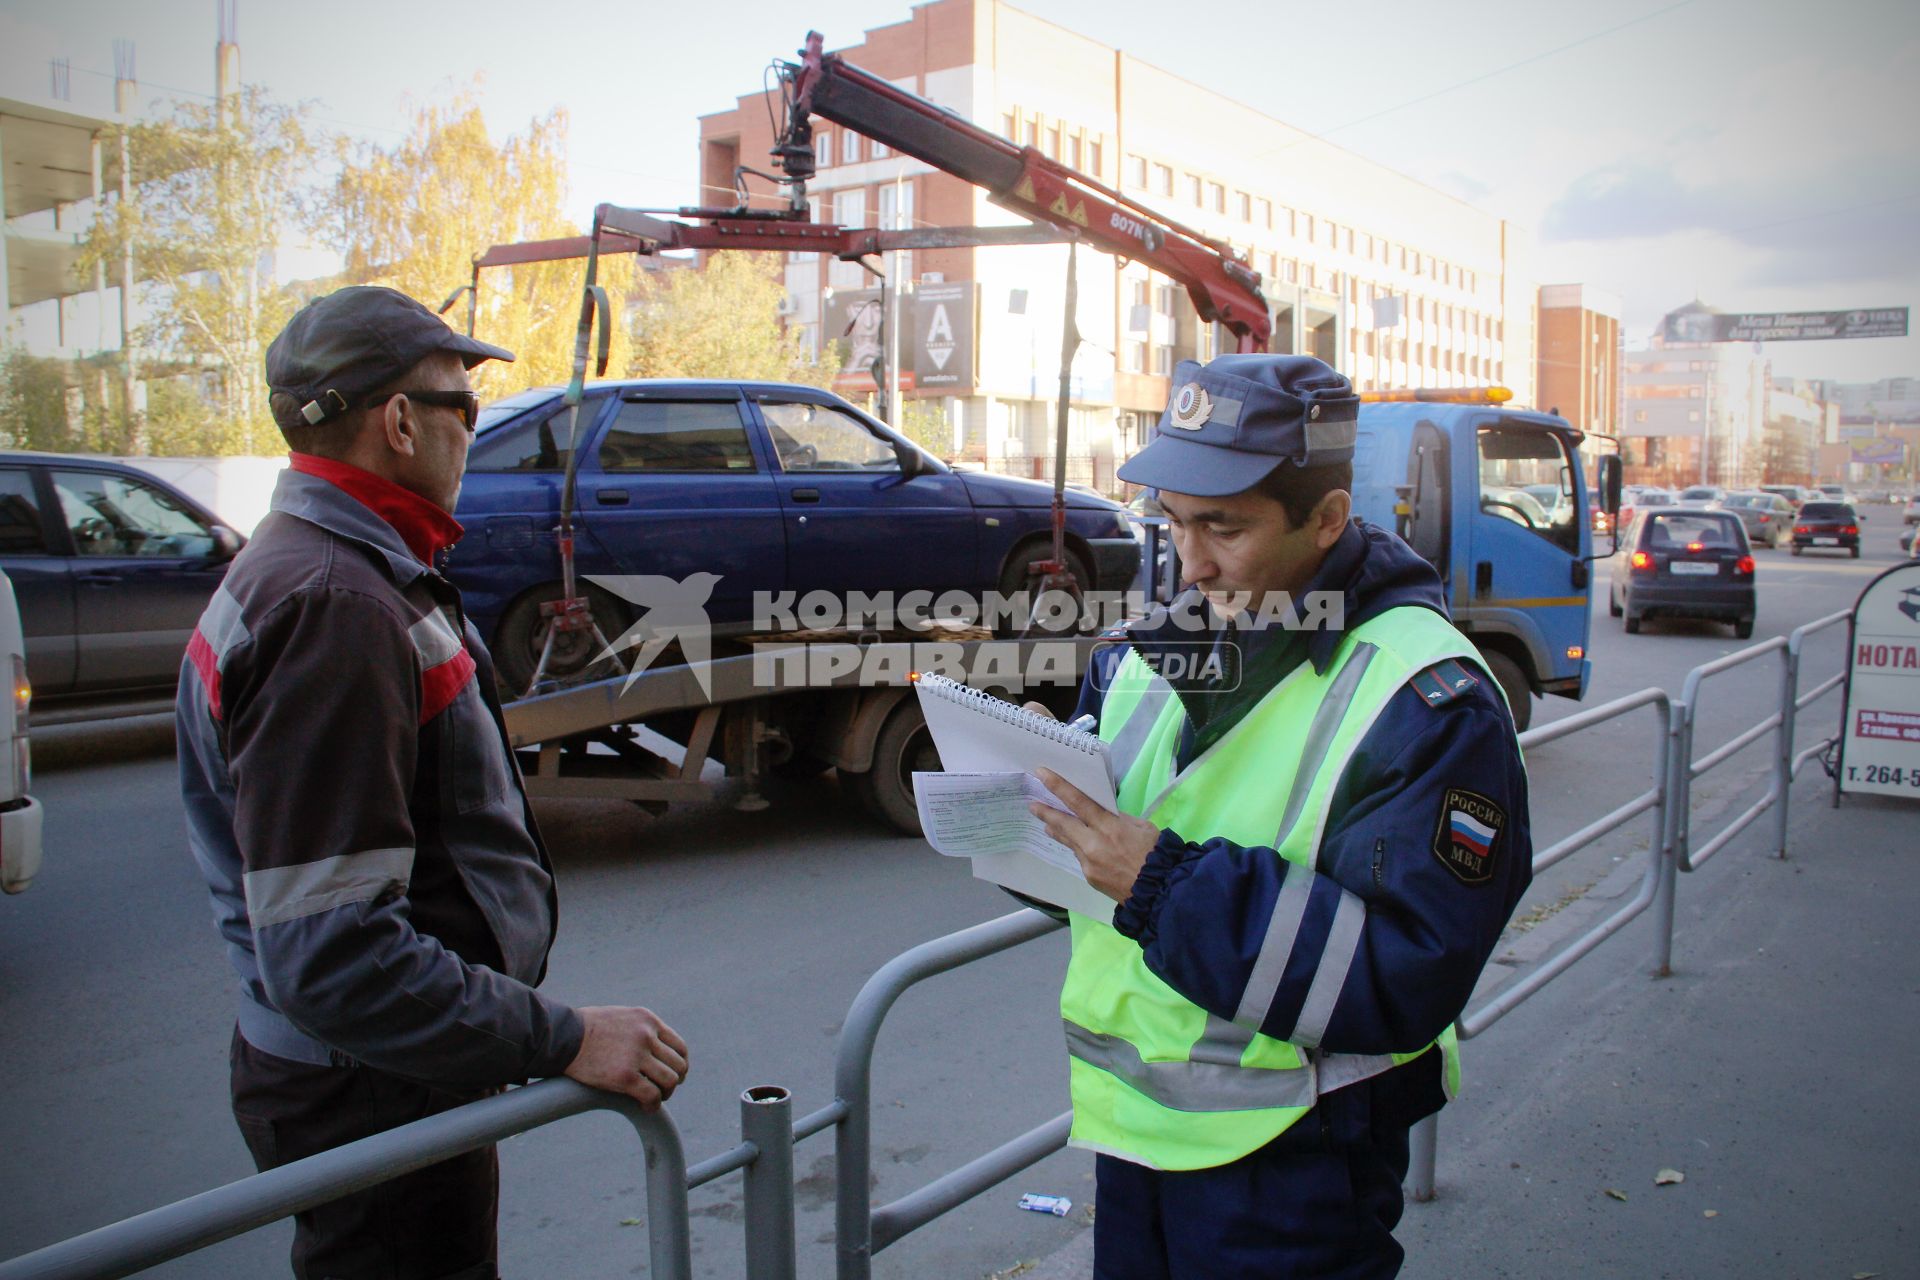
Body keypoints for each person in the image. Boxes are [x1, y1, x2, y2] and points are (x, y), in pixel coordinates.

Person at [177, 286, 689, 1280]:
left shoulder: (333, 566)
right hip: (372, 1089)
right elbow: (331, 952)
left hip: (386, 1071)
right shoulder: (334, 604)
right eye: (464, 405)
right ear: (399, 421)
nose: (474, 428)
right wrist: (564, 1035)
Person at [1026, 354, 1532, 1279]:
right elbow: (1087, 896)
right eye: (1172, 522)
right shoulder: (1145, 651)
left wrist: (1156, 878)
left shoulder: (1428, 696)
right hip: (1134, 1143)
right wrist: (1033, 805)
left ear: (1328, 520)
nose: (1191, 561)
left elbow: (1405, 974)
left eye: (1223, 526)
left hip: (1299, 1164)